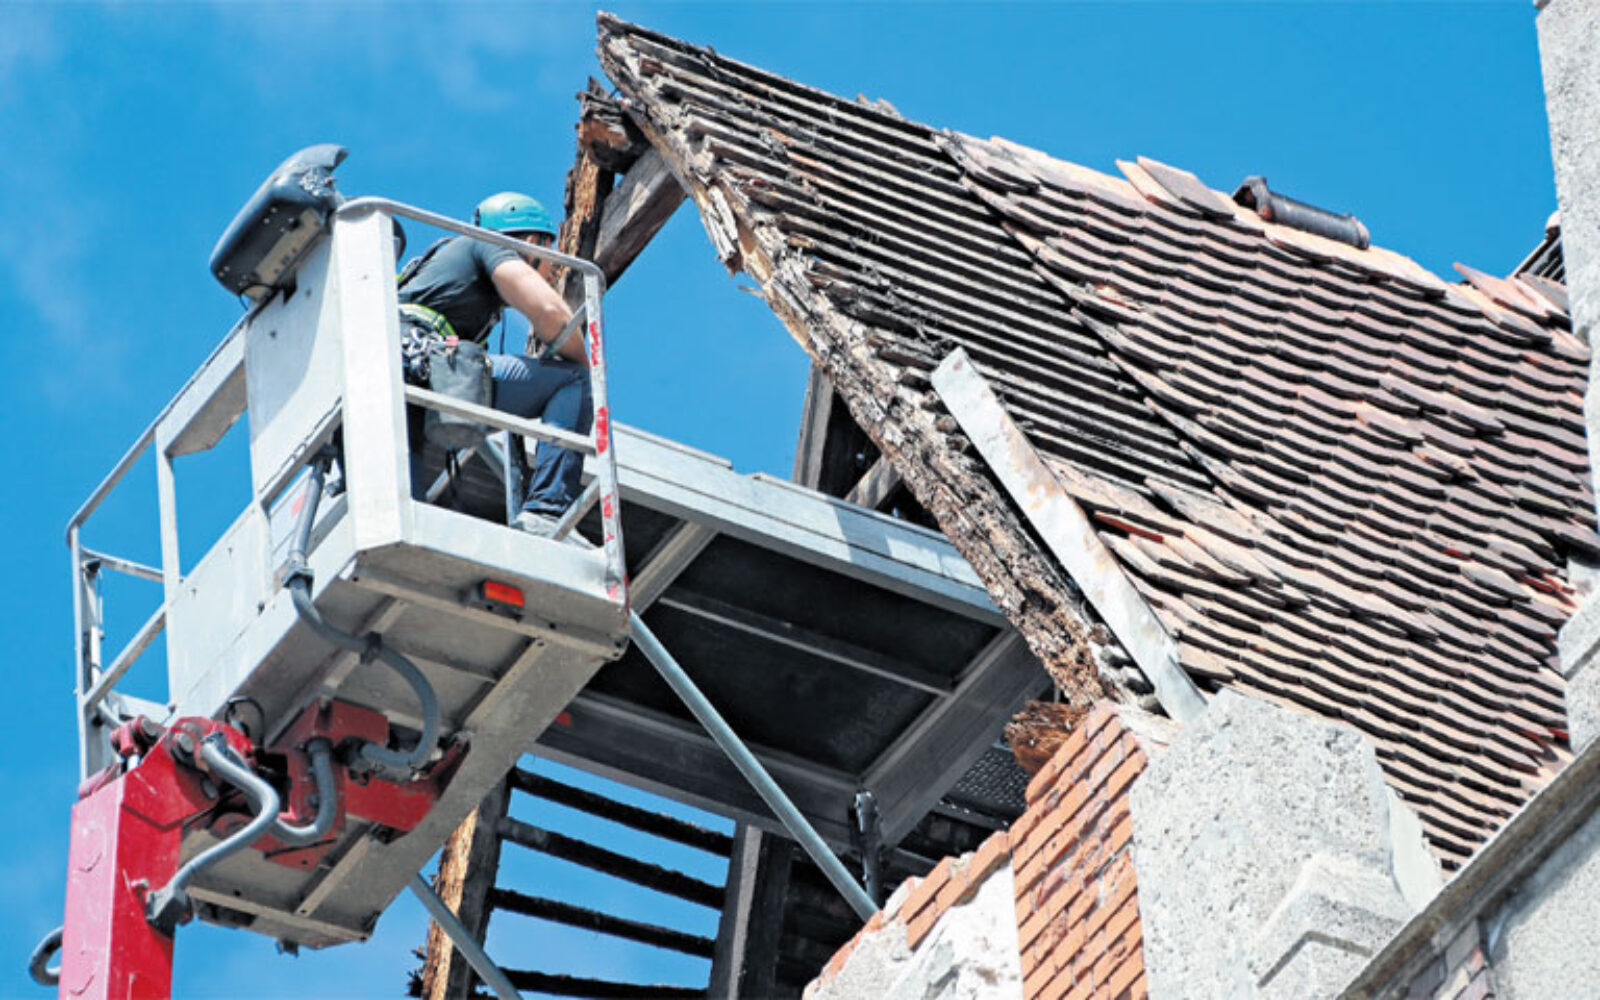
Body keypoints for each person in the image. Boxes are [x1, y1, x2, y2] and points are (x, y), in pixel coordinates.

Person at [397, 192, 590, 536]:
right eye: (548, 255)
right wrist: (587, 368)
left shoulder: (446, 279)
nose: (551, 273)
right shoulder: (487, 244)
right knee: (573, 381)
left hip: (407, 375)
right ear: (530, 242)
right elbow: (550, 312)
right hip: (424, 364)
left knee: (406, 513)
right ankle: (547, 513)